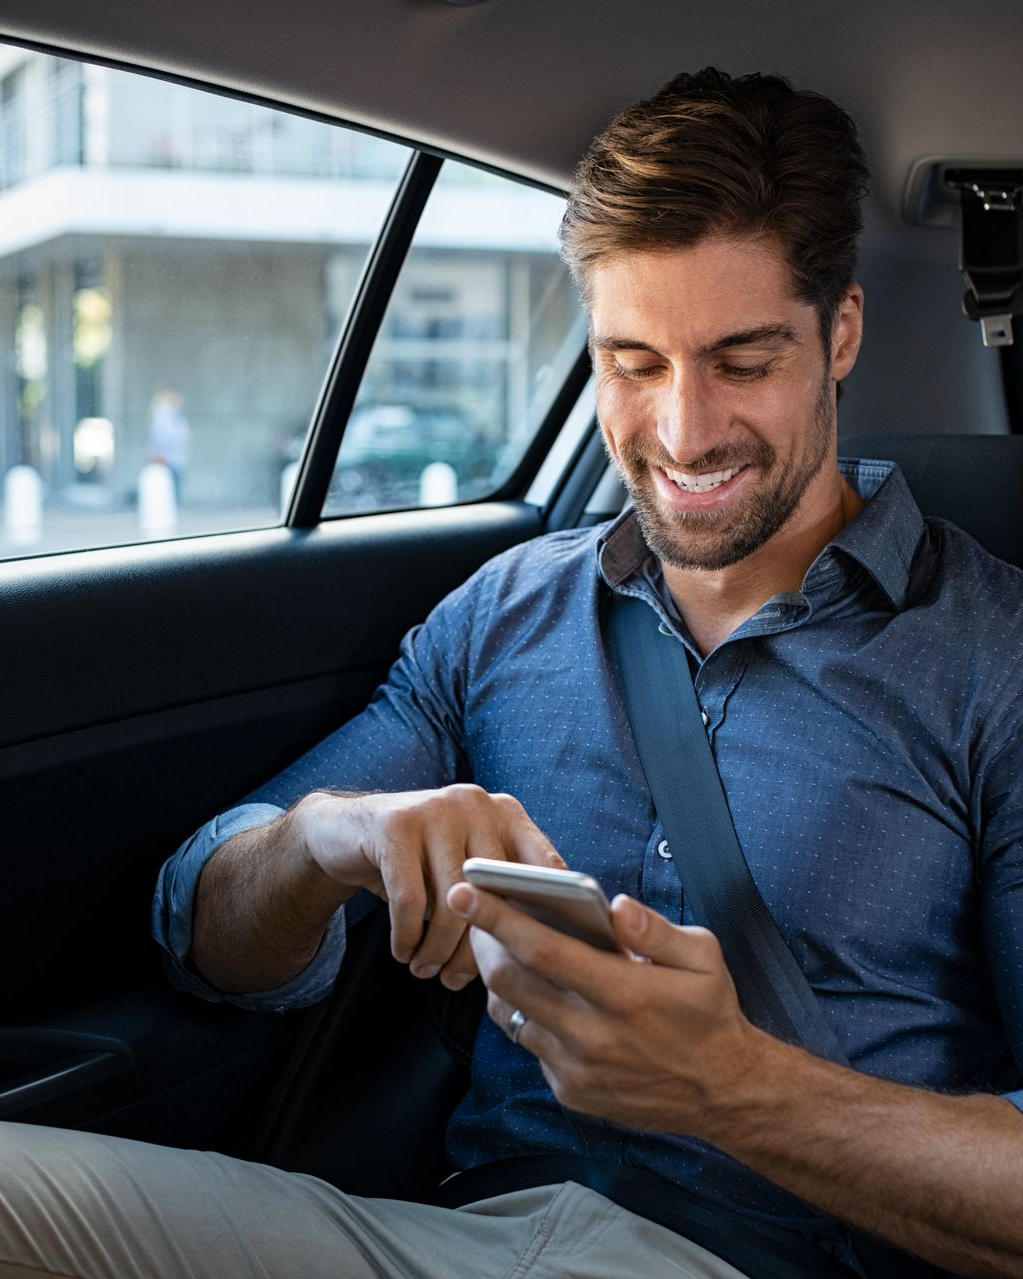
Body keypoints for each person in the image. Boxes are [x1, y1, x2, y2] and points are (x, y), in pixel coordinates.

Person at [3, 67, 1023, 1279]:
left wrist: (737, 1088)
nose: (684, 431)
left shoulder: (992, 658)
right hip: (454, 1237)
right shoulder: (505, 614)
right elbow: (206, 939)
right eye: (634, 362)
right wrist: (333, 835)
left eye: (742, 362)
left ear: (839, 333)